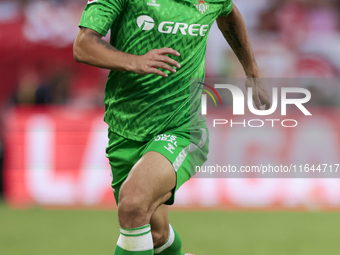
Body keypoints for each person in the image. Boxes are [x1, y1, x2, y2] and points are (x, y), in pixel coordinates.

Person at [73, 0, 270, 254]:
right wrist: (135, 61)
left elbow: (229, 14)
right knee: (155, 234)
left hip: (182, 128)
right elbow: (83, 45)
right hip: (125, 127)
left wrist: (252, 73)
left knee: (133, 203)